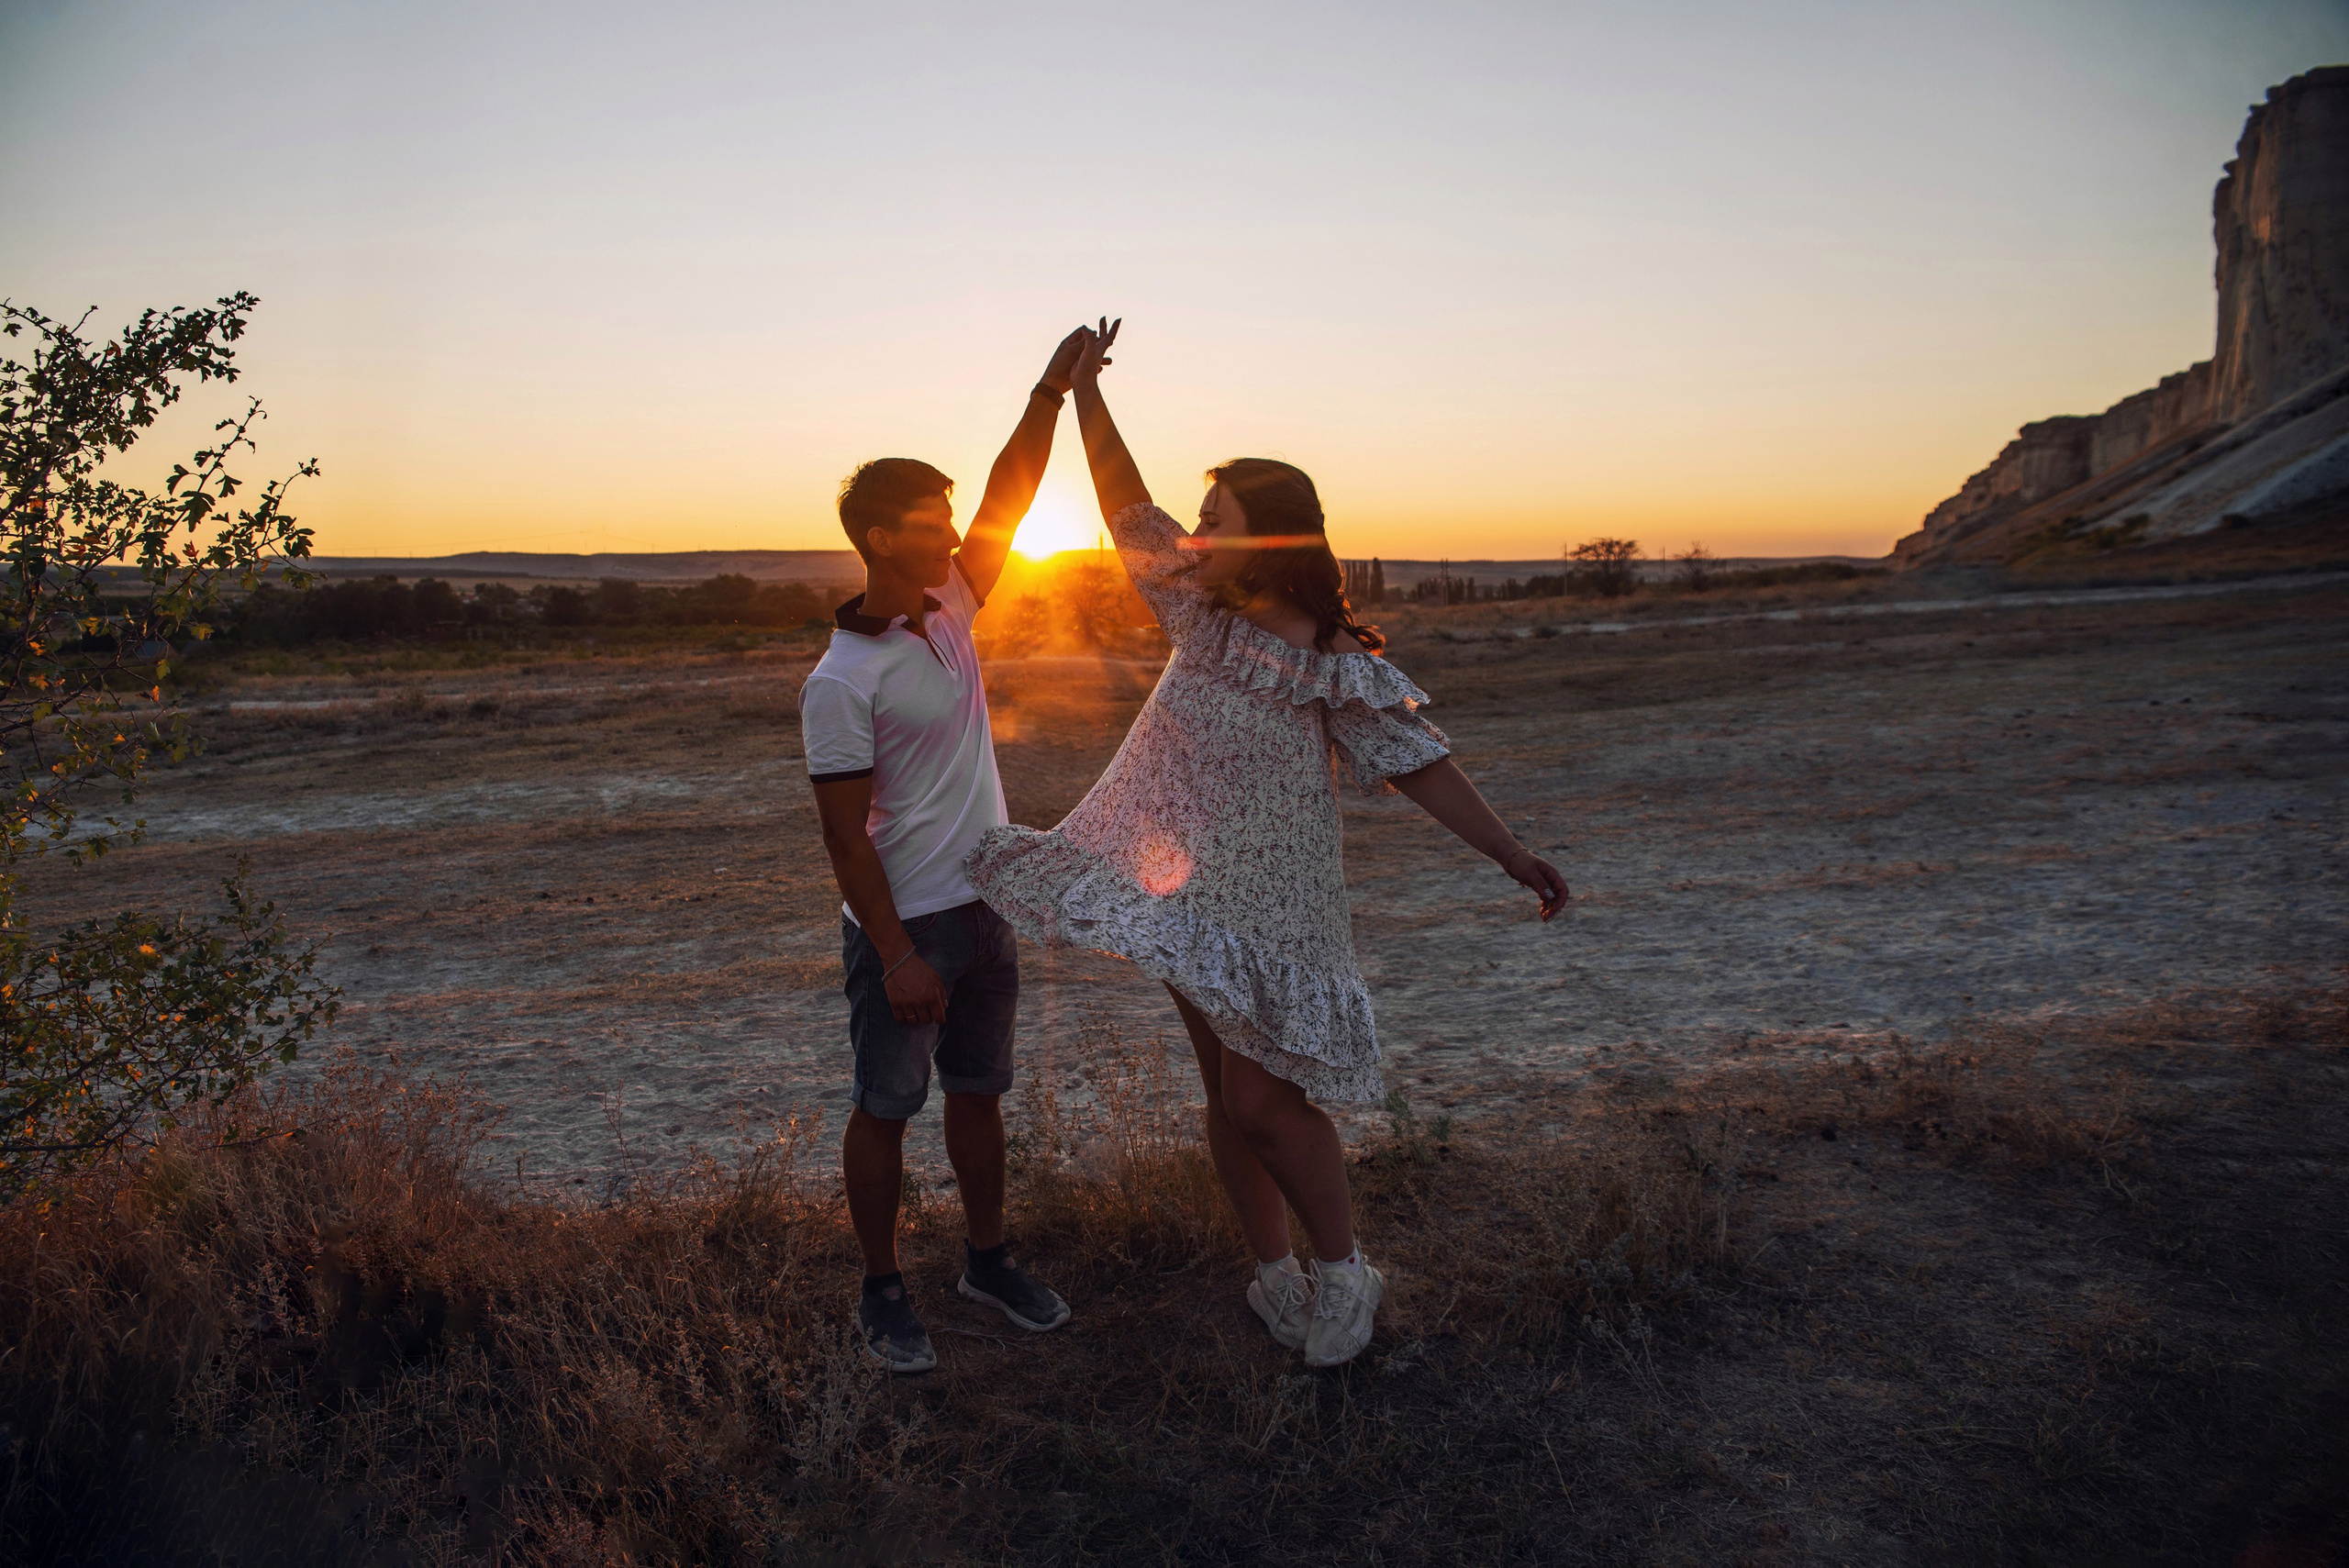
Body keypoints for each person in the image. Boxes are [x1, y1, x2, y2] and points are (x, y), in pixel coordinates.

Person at [967, 321, 1570, 1368]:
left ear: (1273, 536)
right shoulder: (1198, 612)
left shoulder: (1334, 660)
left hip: (1276, 902)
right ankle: (1274, 1277)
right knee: (1227, 1101)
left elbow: (1418, 763)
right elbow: (1123, 500)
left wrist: (1511, 854)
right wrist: (1082, 395)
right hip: (1184, 891)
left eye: (1216, 516)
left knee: (1264, 1099)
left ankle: (1345, 1271)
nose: (1194, 530)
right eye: (1199, 516)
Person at [801, 328, 1095, 1373]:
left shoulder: (951, 605)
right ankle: (882, 1290)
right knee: (885, 1106)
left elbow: (1010, 496)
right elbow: (843, 838)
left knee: (980, 1094)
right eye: (930, 522)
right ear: (882, 538)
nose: (952, 532)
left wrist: (1050, 389)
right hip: (909, 926)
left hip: (987, 905)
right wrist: (894, 952)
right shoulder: (840, 680)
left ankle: (986, 1259)